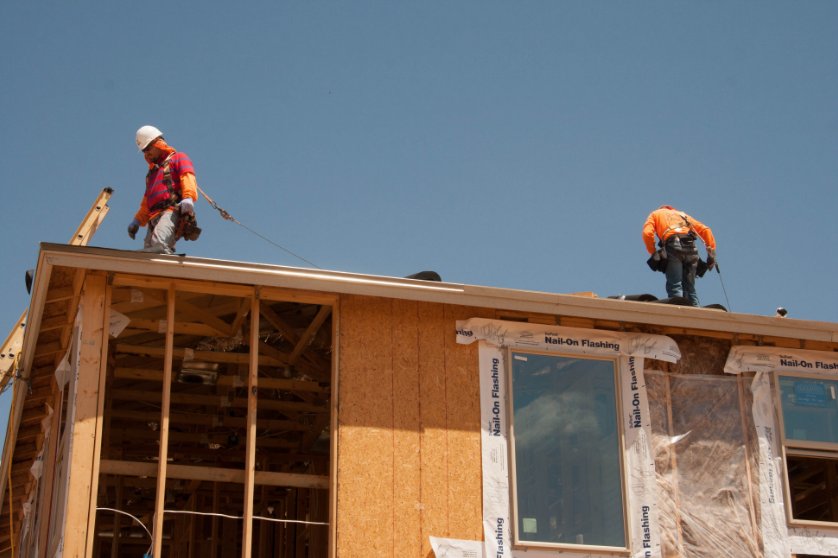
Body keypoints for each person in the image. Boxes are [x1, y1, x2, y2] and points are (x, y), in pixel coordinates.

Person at [128, 125, 200, 254]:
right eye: (144, 151)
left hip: (170, 210)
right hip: (153, 217)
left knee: (159, 246)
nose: (147, 153)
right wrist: (137, 221)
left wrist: (188, 198)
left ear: (158, 143)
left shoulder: (178, 158)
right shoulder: (152, 174)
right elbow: (146, 202)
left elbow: (187, 176)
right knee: (147, 252)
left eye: (148, 148)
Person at [642, 205, 716, 306]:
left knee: (675, 285)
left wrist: (653, 252)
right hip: (691, 249)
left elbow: (647, 233)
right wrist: (711, 252)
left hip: (673, 247)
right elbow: (706, 230)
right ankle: (697, 316)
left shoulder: (655, 214)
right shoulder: (682, 215)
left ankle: (679, 313)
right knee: (690, 289)